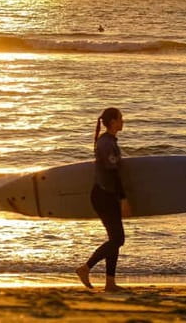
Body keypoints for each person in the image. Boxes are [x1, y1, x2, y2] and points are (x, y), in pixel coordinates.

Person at [76, 107, 131, 292]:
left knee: (114, 239)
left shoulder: (109, 141)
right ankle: (85, 268)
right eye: (121, 118)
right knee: (118, 239)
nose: (123, 121)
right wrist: (124, 199)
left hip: (107, 195)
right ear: (113, 122)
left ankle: (110, 283)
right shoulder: (106, 143)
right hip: (103, 196)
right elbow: (113, 173)